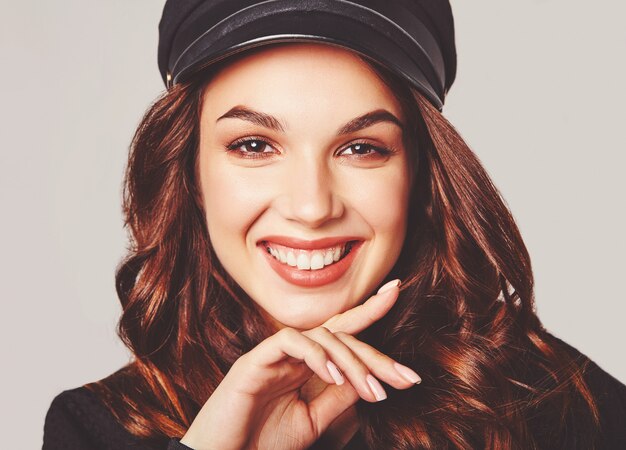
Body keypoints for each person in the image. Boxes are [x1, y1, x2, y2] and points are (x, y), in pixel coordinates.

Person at [43, 1, 626, 449]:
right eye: (253, 145)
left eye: (361, 148)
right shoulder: (94, 430)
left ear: (421, 176)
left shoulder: (564, 408)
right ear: (192, 173)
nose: (312, 206)